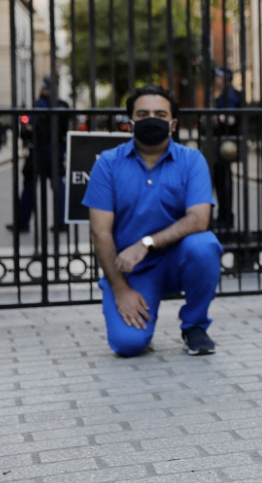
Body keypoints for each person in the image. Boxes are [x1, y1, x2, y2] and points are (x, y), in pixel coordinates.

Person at [83, 86, 222, 357]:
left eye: (160, 114)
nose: (151, 119)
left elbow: (198, 219)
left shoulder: (192, 160)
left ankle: (195, 325)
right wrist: (121, 290)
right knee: (128, 344)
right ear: (130, 122)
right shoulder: (107, 164)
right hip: (131, 269)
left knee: (204, 246)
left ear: (173, 124)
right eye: (143, 114)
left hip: (177, 260)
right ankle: (138, 309)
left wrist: (146, 243)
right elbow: (101, 234)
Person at [7, 76, 70, 233]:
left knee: (29, 184)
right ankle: (62, 221)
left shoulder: (40, 103)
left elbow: (30, 127)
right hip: (56, 148)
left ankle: (23, 222)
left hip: (39, 149)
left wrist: (26, 126)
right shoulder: (63, 105)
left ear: (44, 88)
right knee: (58, 185)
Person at [210, 66, 241, 229]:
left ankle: (225, 218)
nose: (216, 79)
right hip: (221, 143)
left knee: (223, 181)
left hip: (225, 143)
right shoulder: (225, 94)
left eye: (218, 76)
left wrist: (217, 116)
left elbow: (231, 119)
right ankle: (223, 216)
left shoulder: (230, 95)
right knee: (221, 180)